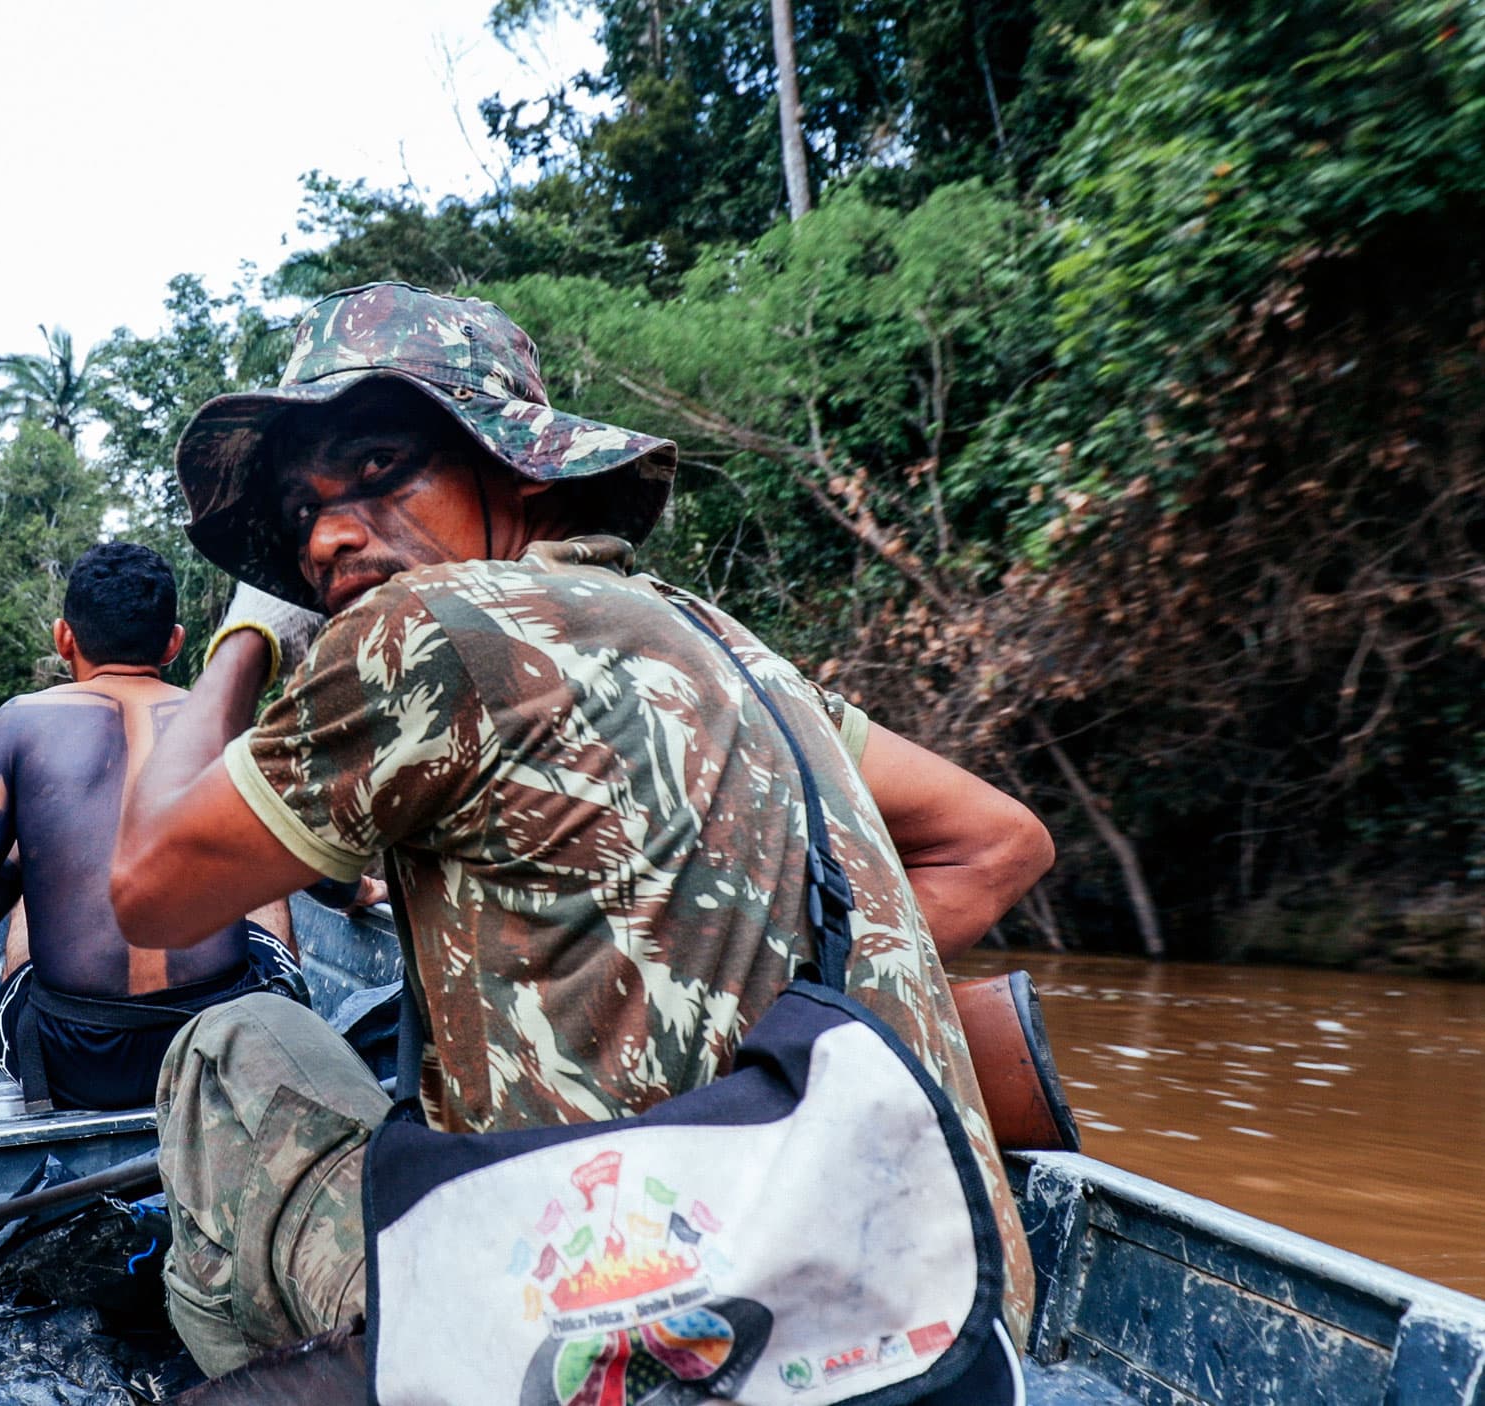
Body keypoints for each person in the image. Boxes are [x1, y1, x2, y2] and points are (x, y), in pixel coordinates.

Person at [108, 282, 1055, 1375]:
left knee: (229, 1047)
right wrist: (742, 1005)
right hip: (936, 1342)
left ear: (513, 465)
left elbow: (146, 885)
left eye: (377, 470)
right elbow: (995, 841)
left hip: (624, 1353)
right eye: (302, 507)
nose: (325, 534)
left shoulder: (428, 627)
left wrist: (247, 634)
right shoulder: (728, 648)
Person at [0, 541, 307, 1113]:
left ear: (64, 638)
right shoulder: (228, 723)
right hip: (220, 1050)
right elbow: (320, 861)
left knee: (33, 882)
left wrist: (41, 856)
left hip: (72, 1064)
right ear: (175, 643)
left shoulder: (20, 721)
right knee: (261, 860)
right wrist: (362, 890)